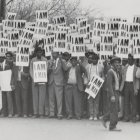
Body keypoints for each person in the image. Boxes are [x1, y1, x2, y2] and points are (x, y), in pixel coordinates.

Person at [48, 49, 69, 119]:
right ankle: (52, 113)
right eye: (52, 53)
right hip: (51, 81)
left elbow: (66, 69)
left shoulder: (62, 61)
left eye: (54, 53)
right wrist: (49, 67)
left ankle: (59, 114)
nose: (53, 55)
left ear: (57, 54)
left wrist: (62, 61)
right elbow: (46, 71)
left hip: (59, 82)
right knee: (51, 98)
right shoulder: (49, 61)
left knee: (59, 99)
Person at [102, 56, 121, 131]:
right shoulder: (110, 71)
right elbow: (109, 84)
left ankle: (105, 118)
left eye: (118, 62)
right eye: (116, 62)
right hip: (113, 93)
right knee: (114, 110)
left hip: (116, 92)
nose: (117, 64)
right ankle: (112, 126)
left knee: (116, 109)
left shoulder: (117, 71)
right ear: (112, 63)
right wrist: (112, 95)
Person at [120, 54, 139, 122]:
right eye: (128, 59)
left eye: (130, 59)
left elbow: (137, 79)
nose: (129, 60)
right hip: (126, 85)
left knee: (134, 102)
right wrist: (122, 87)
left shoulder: (137, 68)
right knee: (126, 102)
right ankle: (126, 117)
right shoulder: (125, 68)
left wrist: (136, 89)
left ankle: (133, 117)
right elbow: (122, 77)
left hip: (132, 86)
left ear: (133, 60)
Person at [30, 47, 48, 118]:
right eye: (38, 52)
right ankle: (35, 113)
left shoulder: (45, 60)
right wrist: (35, 79)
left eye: (40, 52)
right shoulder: (32, 60)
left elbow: (45, 70)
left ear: (42, 52)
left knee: (42, 97)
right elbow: (31, 70)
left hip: (42, 80)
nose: (39, 53)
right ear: (36, 53)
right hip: (34, 81)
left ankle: (41, 113)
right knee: (35, 97)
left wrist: (41, 78)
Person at [86, 52, 104, 120]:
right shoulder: (88, 67)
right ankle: (91, 115)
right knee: (90, 101)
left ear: (97, 60)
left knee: (97, 101)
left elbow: (103, 76)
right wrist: (86, 82)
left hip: (97, 85)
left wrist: (101, 82)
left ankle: (95, 115)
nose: (94, 61)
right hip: (90, 84)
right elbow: (85, 75)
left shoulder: (100, 67)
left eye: (95, 59)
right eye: (93, 59)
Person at [0, 52, 14, 118]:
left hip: (8, 83)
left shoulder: (10, 62)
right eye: (0, 57)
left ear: (4, 57)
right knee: (3, 99)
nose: (1, 58)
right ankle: (4, 113)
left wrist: (12, 83)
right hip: (2, 83)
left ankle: (10, 112)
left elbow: (13, 73)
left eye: (2, 57)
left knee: (9, 98)